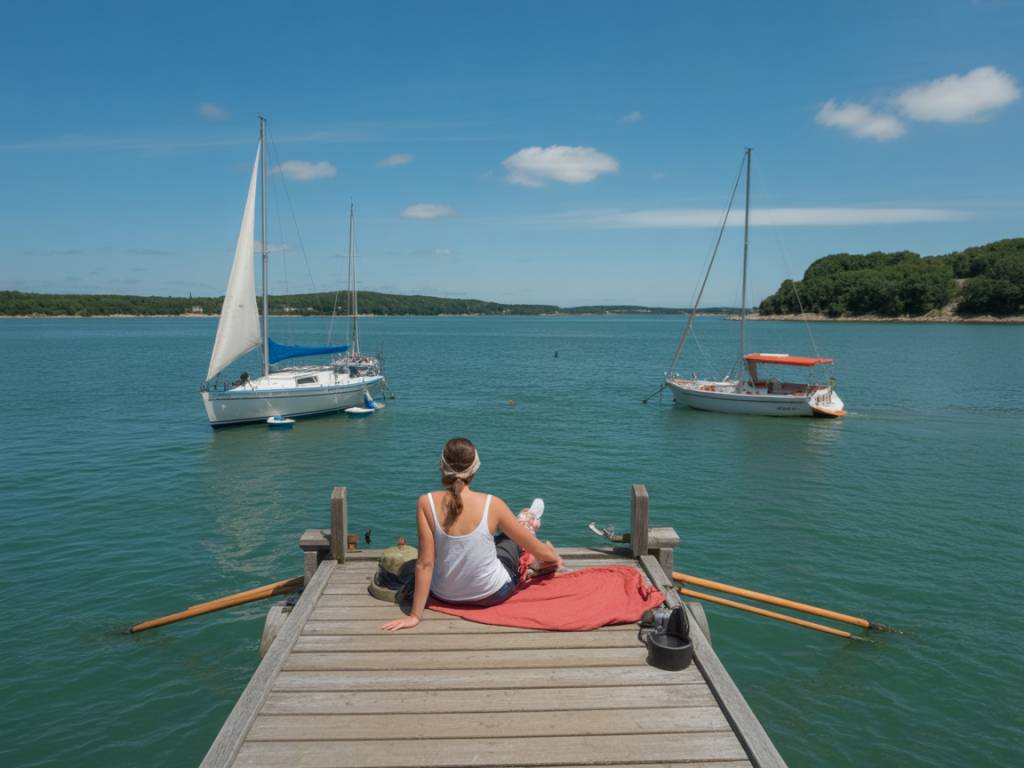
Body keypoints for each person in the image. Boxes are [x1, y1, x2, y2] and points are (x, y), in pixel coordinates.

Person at [381, 437, 561, 632]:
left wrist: (415, 616)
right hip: (493, 593)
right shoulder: (493, 504)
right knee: (512, 540)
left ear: (441, 466)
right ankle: (527, 521)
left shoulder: (426, 503)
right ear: (475, 469)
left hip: (444, 594)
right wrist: (553, 558)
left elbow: (425, 564)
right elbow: (540, 551)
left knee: (498, 542)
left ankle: (525, 521)